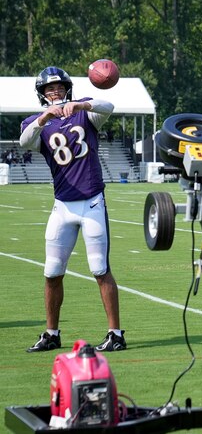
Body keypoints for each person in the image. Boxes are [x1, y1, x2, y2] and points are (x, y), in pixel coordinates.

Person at [20, 66, 125, 353]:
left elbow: (109, 106)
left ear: (68, 88)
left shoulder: (84, 112)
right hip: (62, 205)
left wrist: (80, 104)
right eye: (49, 89)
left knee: (100, 269)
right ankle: (52, 333)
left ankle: (115, 333)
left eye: (59, 87)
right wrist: (44, 118)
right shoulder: (36, 121)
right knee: (52, 272)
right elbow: (24, 141)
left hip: (91, 201)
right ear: (42, 94)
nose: (55, 92)